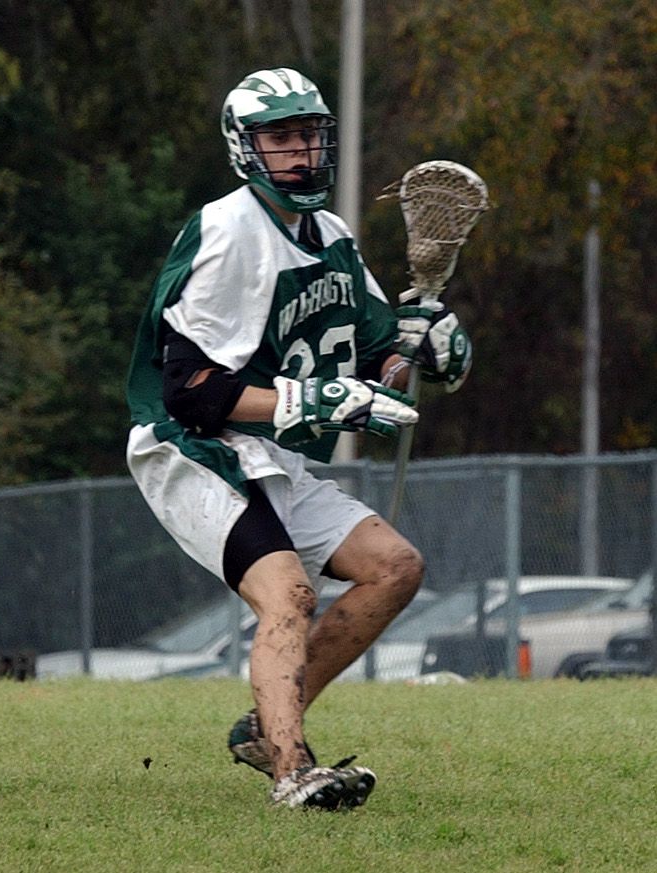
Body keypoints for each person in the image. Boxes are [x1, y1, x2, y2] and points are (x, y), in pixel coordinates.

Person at [125, 68, 471, 810]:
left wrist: (421, 349)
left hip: (268, 449)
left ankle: (266, 726)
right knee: (288, 592)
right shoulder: (228, 231)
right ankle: (292, 770)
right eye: (280, 137)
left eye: (309, 134)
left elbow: (378, 358)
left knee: (395, 567)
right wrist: (309, 399)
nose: (300, 152)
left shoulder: (332, 235)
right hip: (192, 449)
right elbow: (189, 390)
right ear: (245, 148)